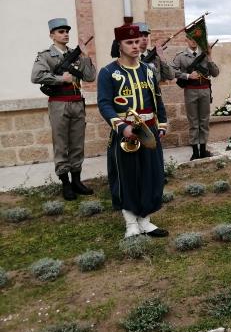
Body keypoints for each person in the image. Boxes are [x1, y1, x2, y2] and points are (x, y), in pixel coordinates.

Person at [97, 20, 169, 238]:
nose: (136, 46)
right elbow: (104, 103)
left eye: (137, 41)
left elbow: (157, 98)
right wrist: (121, 127)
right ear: (119, 45)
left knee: (151, 175)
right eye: (130, 42)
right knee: (127, 176)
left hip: (150, 131)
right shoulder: (108, 72)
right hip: (125, 134)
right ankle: (131, 223)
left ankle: (145, 220)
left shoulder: (148, 70)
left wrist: (162, 124)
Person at [31, 18, 96, 201]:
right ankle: (65, 183)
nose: (65, 34)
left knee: (77, 143)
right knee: (61, 143)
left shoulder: (75, 54)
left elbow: (90, 77)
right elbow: (36, 76)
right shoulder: (45, 56)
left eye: (67, 31)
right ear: (52, 35)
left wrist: (85, 55)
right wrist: (61, 79)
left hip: (77, 102)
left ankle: (77, 180)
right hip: (58, 103)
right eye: (60, 31)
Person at [173, 36, 219, 160]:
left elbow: (215, 73)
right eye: (190, 39)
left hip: (204, 90)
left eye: (195, 39)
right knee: (193, 122)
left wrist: (209, 56)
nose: (193, 41)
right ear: (186, 40)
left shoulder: (204, 54)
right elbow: (172, 71)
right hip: (190, 90)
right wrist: (187, 76)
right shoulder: (181, 56)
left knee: (204, 121)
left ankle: (203, 150)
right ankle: (195, 152)